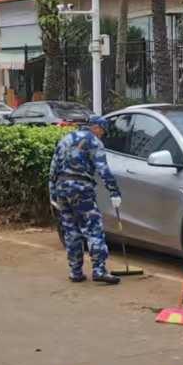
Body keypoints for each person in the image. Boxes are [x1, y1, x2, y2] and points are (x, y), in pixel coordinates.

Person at [48, 116, 122, 285]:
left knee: (71, 230)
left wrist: (52, 193)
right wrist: (114, 192)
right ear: (97, 127)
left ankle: (75, 271)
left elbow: (53, 168)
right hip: (81, 188)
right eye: (103, 131)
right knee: (94, 228)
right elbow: (104, 170)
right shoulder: (94, 142)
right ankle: (99, 270)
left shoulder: (65, 139)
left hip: (62, 188)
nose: (102, 135)